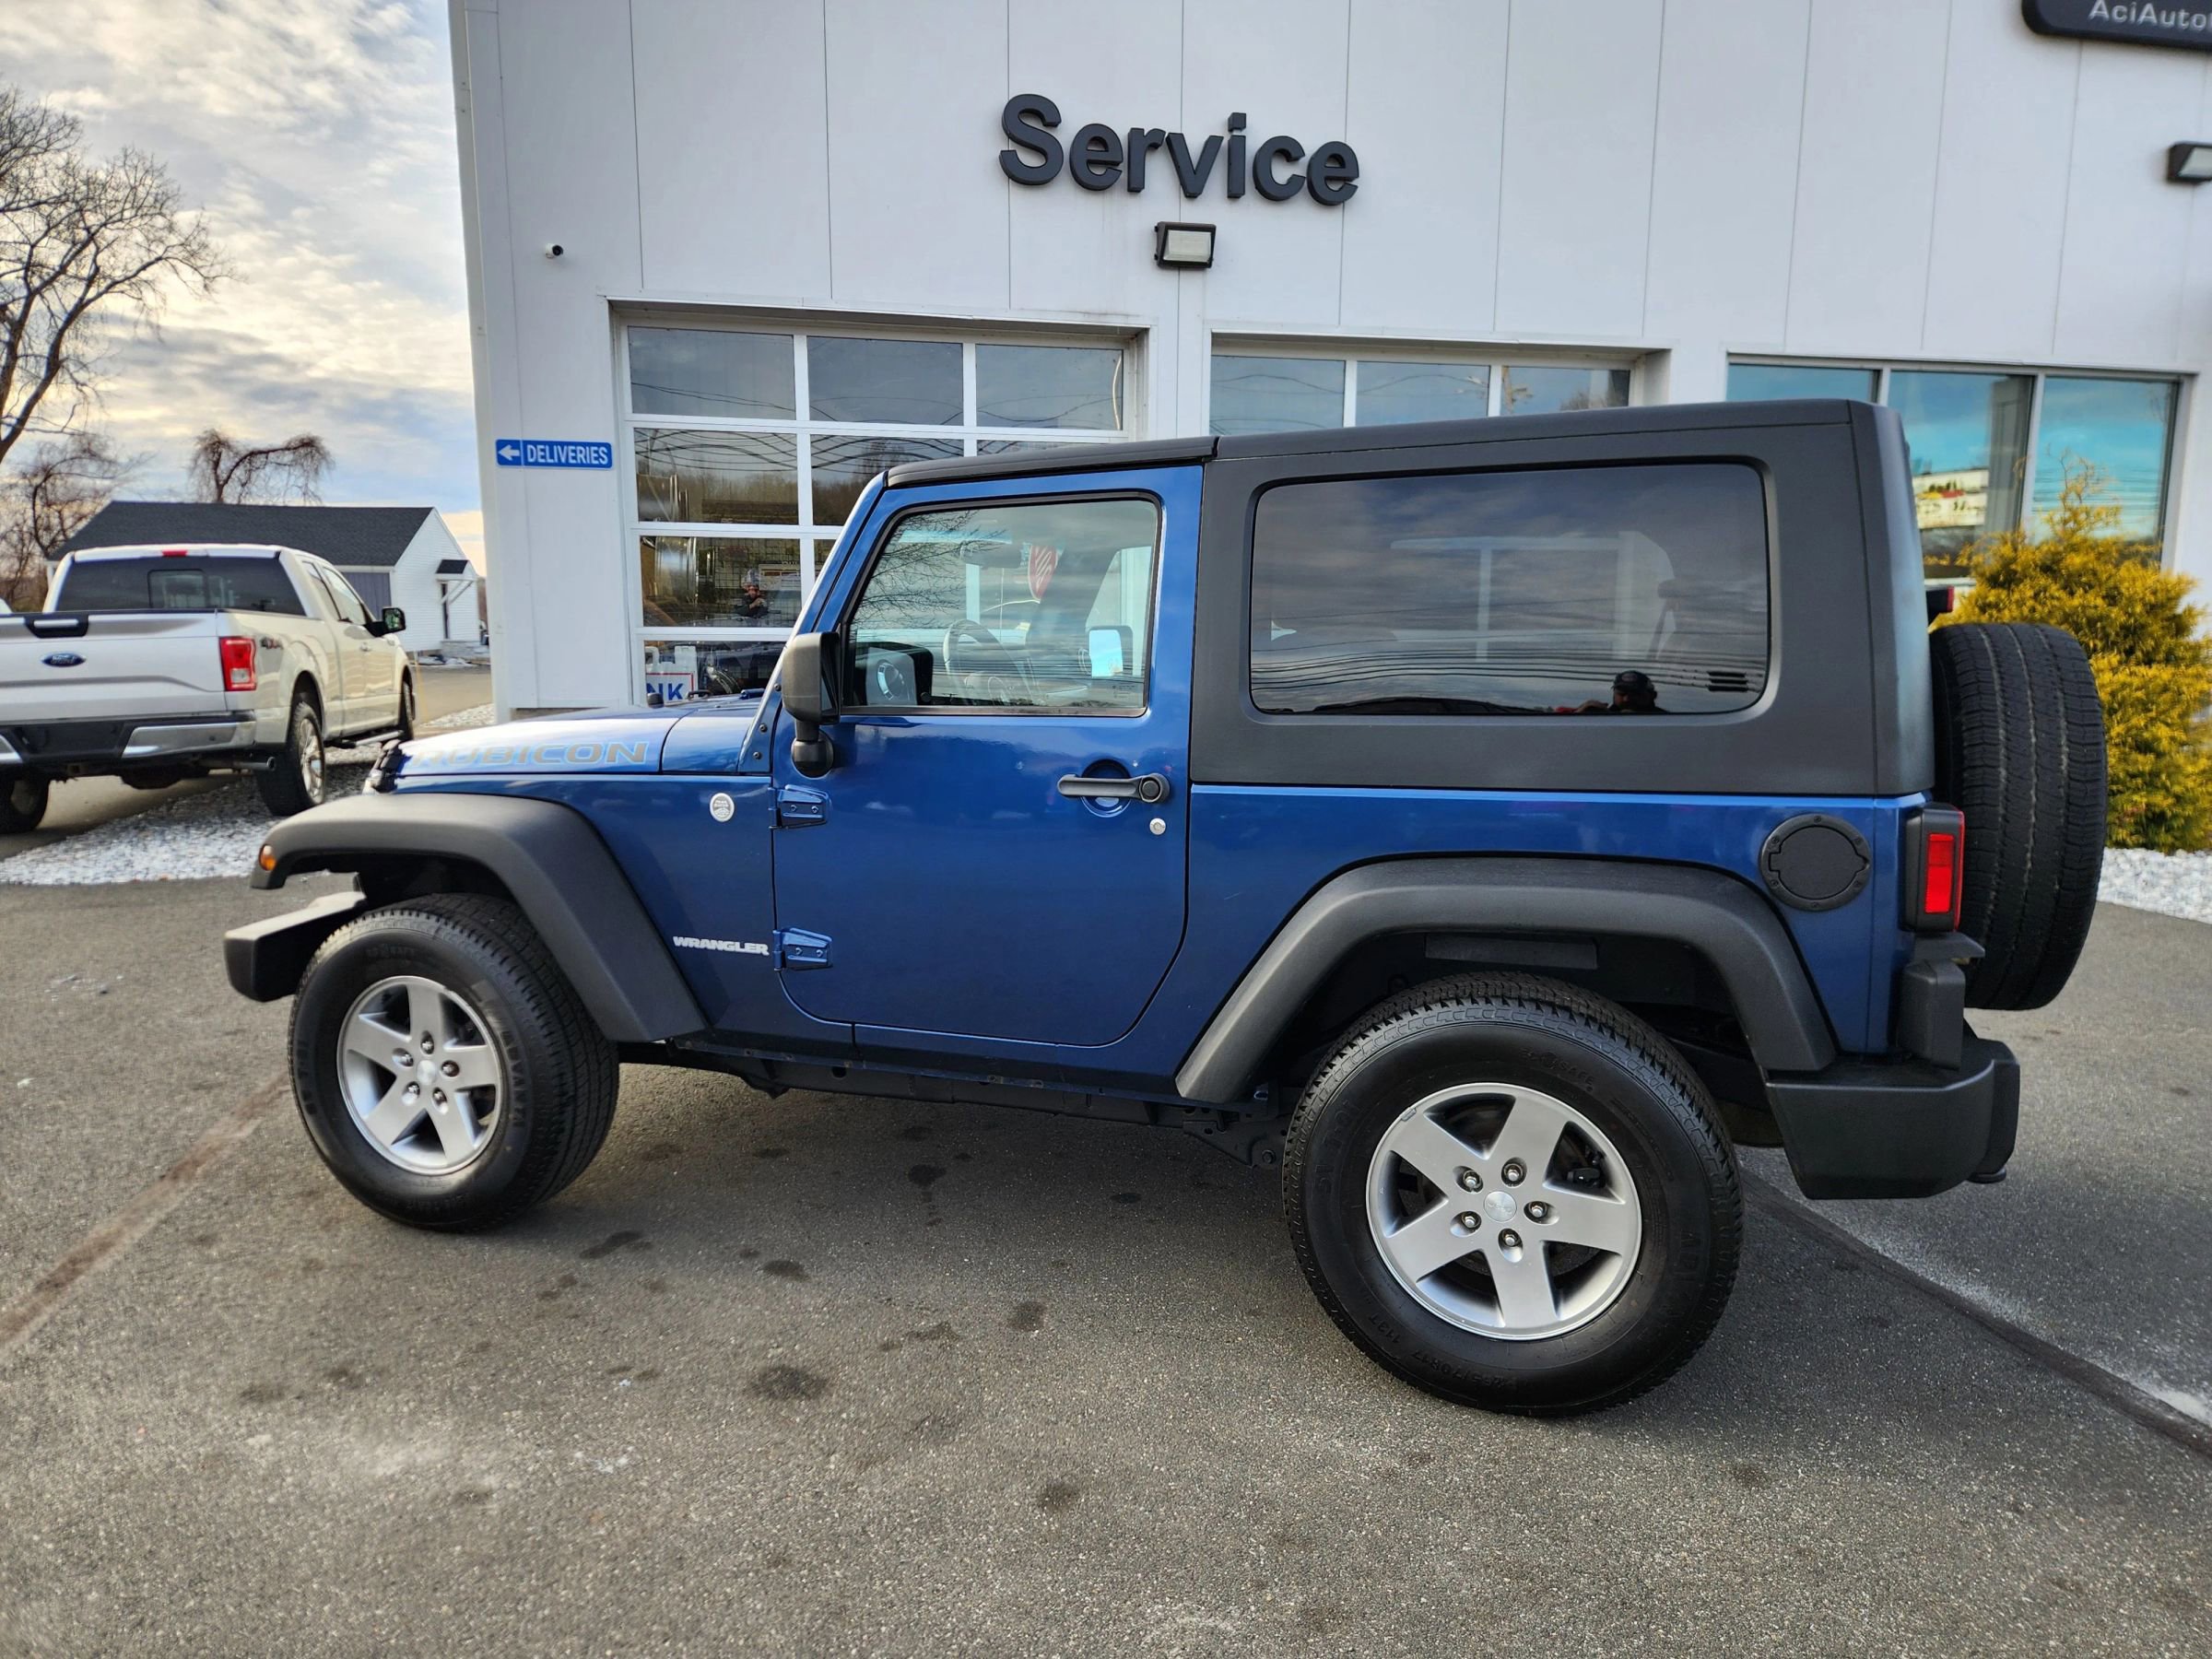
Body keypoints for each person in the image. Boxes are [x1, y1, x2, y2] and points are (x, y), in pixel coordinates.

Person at [1566, 669, 1664, 715]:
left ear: (1653, 696)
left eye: (1635, 694)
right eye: (1621, 693)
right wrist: (1580, 715)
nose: (1627, 699)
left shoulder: (1667, 721)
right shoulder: (1602, 718)